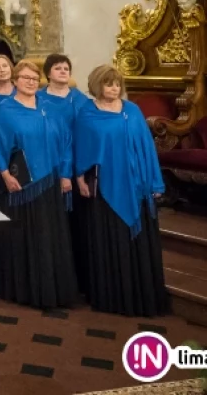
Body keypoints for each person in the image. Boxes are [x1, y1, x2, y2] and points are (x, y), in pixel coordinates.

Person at [74, 65, 169, 317]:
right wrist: (80, 178)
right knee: (111, 240)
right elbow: (82, 149)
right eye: (108, 84)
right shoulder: (87, 113)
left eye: (117, 84)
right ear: (97, 85)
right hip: (106, 188)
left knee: (138, 243)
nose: (114, 89)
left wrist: (154, 183)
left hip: (138, 187)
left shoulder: (133, 110)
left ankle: (144, 297)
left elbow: (148, 148)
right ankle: (113, 298)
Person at [0, 60, 78, 309]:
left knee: (49, 238)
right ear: (15, 80)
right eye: (25, 77)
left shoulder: (49, 107)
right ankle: (24, 290)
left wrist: (66, 174)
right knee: (23, 239)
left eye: (34, 78)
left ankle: (51, 289)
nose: (30, 82)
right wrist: (5, 175)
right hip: (20, 187)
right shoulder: (5, 110)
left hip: (50, 183)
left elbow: (66, 142)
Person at [39, 53, 90, 291]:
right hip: (47, 166)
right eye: (57, 68)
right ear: (48, 73)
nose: (62, 71)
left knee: (76, 221)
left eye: (66, 68)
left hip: (77, 164)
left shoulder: (81, 100)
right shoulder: (37, 99)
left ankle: (78, 276)